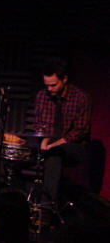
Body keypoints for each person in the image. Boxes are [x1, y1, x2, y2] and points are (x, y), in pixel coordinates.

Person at [33, 58, 91, 206]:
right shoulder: (42, 96)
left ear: (64, 79)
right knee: (18, 155)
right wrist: (44, 142)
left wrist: (52, 146)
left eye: (53, 85)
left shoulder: (81, 98)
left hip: (74, 146)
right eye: (46, 85)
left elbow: (80, 131)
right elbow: (40, 125)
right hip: (50, 142)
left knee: (54, 155)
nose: (49, 89)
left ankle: (46, 207)